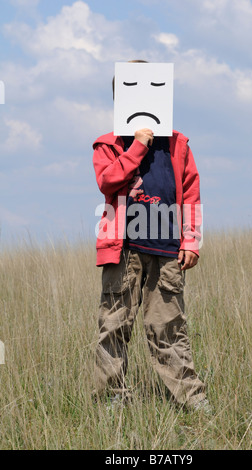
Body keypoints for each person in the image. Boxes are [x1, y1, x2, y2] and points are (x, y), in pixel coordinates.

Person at [92, 61, 210, 412]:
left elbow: (190, 194)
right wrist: (138, 145)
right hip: (124, 250)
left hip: (167, 250)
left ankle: (191, 401)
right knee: (113, 325)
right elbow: (108, 181)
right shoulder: (108, 144)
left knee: (169, 328)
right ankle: (112, 399)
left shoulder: (178, 144)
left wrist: (191, 240)